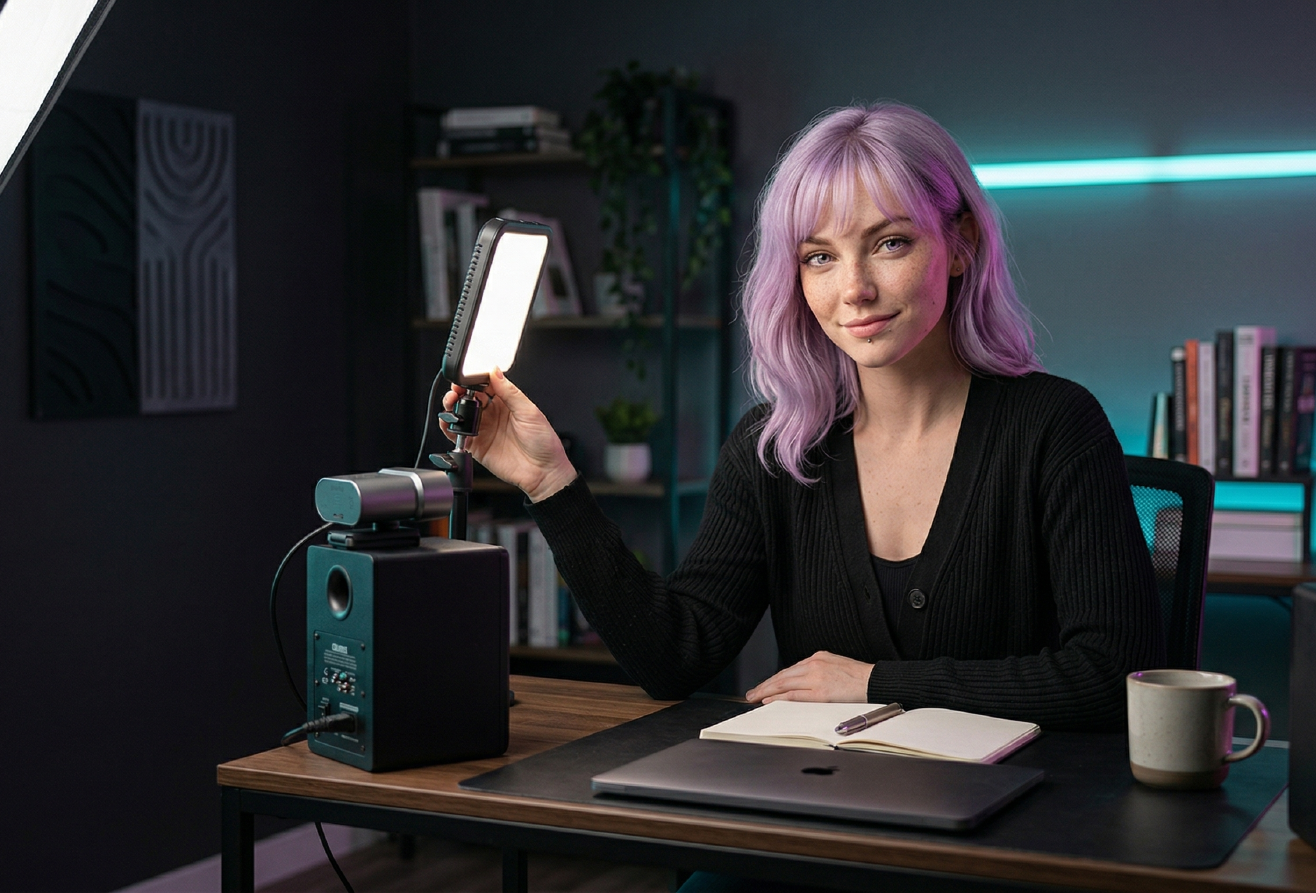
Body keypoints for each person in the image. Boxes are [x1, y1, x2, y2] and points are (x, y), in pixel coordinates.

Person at [443, 103, 1162, 732]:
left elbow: (1112, 677)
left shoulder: (1056, 425)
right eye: (820, 257)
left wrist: (879, 683)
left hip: (1007, 828)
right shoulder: (775, 449)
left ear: (961, 243)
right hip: (818, 819)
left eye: (890, 242)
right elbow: (674, 656)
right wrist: (551, 484)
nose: (855, 289)